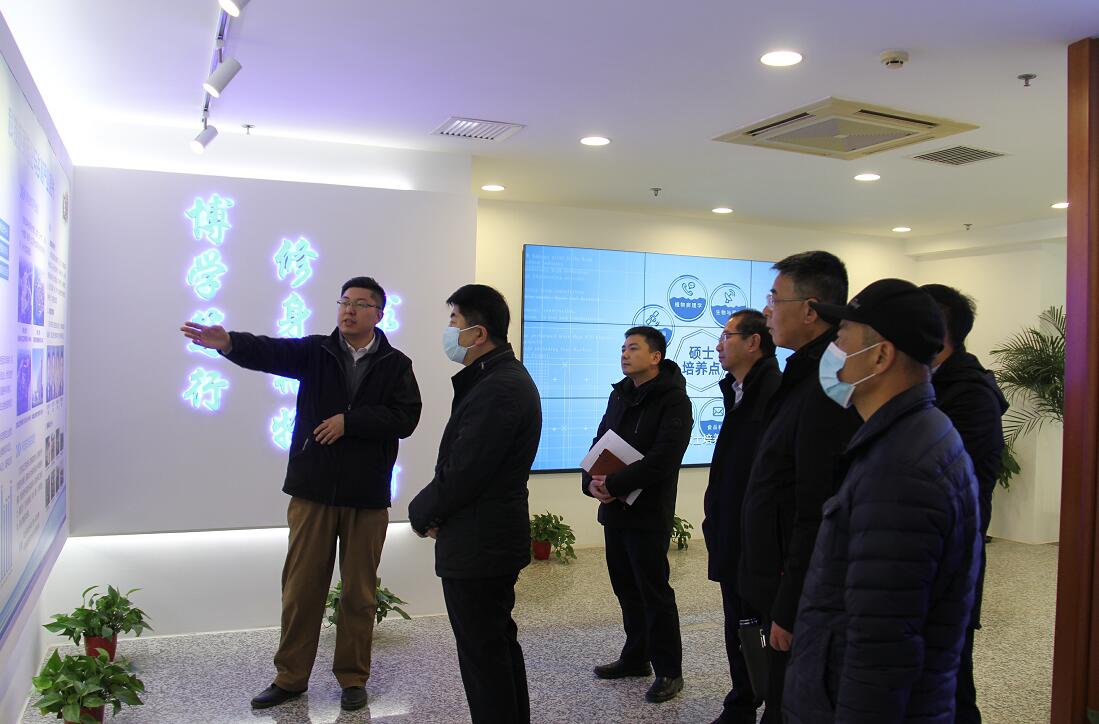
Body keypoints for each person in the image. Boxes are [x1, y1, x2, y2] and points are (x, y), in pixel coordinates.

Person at [181, 276, 422, 712]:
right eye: (344, 301)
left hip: (366, 496)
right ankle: (290, 678)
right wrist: (229, 343)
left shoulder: (395, 364)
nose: (349, 310)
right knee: (301, 590)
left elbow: (406, 418)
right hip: (313, 491)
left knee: (359, 595)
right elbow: (270, 351)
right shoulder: (317, 351)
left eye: (360, 304)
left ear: (379, 314)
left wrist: (350, 422)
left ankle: (353, 678)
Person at [784, 278, 980, 723]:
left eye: (842, 337)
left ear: (880, 355)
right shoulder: (906, 437)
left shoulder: (902, 467)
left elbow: (882, 646)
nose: (833, 350)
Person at [408, 284, 541, 724]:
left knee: (485, 657)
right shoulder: (494, 380)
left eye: (454, 322)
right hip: (482, 537)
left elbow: (466, 470)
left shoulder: (500, 387)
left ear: (478, 334)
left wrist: (421, 512)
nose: (449, 331)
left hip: (481, 543)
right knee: (494, 649)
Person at [739, 251, 862, 721]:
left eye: (775, 298)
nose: (767, 309)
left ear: (810, 309)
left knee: (792, 702)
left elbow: (816, 503)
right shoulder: (803, 372)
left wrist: (789, 606)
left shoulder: (830, 383)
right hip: (776, 576)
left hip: (799, 589)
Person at [582, 325, 693, 703]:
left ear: (655, 356)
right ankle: (635, 658)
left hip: (648, 512)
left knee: (653, 591)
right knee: (626, 588)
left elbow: (664, 459)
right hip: (615, 510)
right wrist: (592, 483)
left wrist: (614, 484)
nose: (625, 354)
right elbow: (600, 442)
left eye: (633, 348)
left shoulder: (674, 400)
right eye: (623, 348)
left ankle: (669, 670)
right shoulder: (620, 394)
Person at [920, 283, 1009, 724]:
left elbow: (954, 485)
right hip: (916, 557)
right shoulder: (926, 384)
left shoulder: (970, 396)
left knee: (950, 682)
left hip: (947, 560)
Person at [704, 309, 782, 724]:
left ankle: (773, 707)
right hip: (732, 531)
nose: (719, 345)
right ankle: (743, 700)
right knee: (739, 623)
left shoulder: (772, 393)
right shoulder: (737, 390)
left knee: (765, 626)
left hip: (759, 539)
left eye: (727, 336)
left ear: (754, 342)